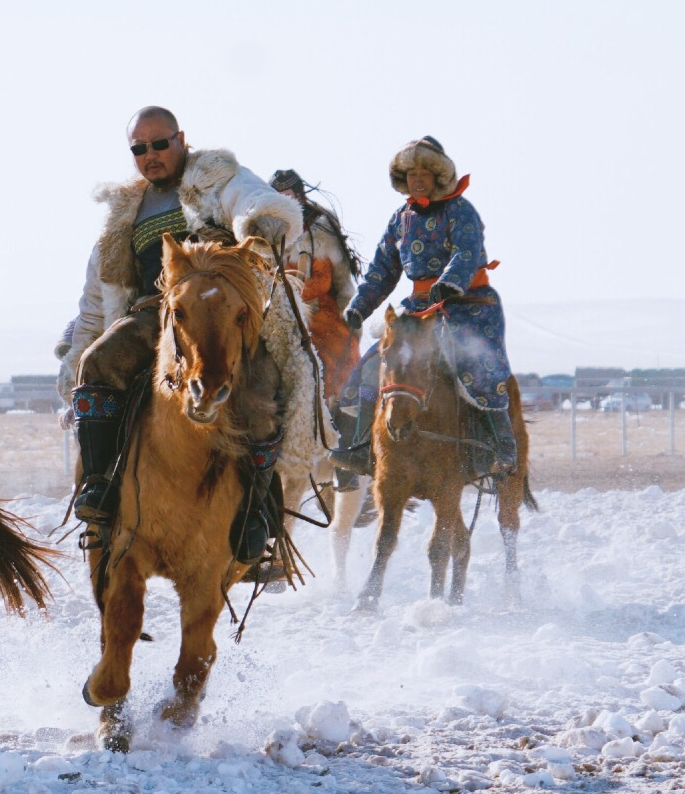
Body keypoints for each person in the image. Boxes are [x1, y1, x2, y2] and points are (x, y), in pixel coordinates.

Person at [57, 108, 303, 543]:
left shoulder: (216, 175)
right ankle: (100, 487)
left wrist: (258, 217)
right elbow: (97, 297)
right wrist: (78, 350)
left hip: (223, 308)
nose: (150, 155)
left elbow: (247, 197)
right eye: (139, 148)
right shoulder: (123, 215)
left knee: (263, 384)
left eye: (159, 143)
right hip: (155, 310)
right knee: (98, 365)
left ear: (181, 139)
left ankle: (255, 513)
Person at [342, 136, 517, 476]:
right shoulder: (400, 218)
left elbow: (466, 254)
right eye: (411, 173)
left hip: (468, 305)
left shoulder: (461, 211)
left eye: (424, 173)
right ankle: (362, 448)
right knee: (370, 366)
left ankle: (503, 448)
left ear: (438, 177)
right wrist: (359, 307)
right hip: (419, 310)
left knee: (476, 362)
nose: (417, 179)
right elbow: (382, 269)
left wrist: (449, 282)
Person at [270, 169, 364, 410]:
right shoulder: (270, 235)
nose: (284, 202)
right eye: (278, 196)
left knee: (337, 362)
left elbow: (324, 281)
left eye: (288, 195)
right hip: (285, 320)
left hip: (322, 316)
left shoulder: (319, 231)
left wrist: (291, 295)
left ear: (299, 196)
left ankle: (342, 412)